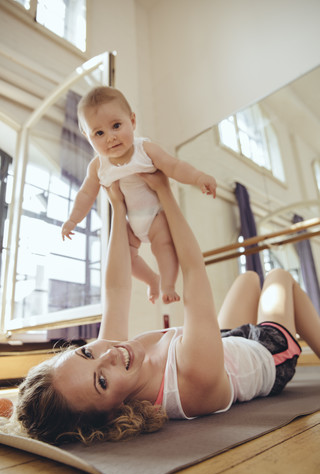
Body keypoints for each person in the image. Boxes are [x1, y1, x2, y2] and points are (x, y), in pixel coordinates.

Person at [15, 172, 320, 446]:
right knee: (280, 279)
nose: (108, 355)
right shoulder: (191, 377)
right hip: (268, 354)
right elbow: (193, 271)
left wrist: (118, 206)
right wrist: (164, 192)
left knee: (249, 277)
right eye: (101, 381)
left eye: (86, 353)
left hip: (227, 343)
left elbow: (116, 290)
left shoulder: (112, 357)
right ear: (114, 413)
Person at [61, 86, 217, 304]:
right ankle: (151, 280)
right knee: (124, 257)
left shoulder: (145, 149)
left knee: (163, 246)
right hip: (130, 222)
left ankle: (167, 284)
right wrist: (73, 219)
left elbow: (174, 166)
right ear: (88, 137)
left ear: (132, 121)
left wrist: (198, 177)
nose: (110, 137)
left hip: (155, 216)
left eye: (116, 126)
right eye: (99, 133)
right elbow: (86, 194)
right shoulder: (98, 166)